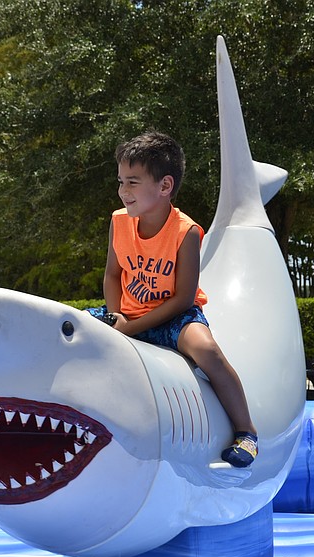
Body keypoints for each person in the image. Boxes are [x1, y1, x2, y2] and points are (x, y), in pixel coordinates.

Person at [87, 130, 258, 468]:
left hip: (174, 317)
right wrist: (115, 315)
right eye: (120, 181)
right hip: (128, 315)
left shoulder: (186, 232)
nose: (123, 191)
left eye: (133, 182)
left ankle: (246, 432)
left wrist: (129, 329)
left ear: (164, 186)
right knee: (69, 327)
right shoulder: (119, 222)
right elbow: (112, 274)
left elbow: (182, 298)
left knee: (207, 351)